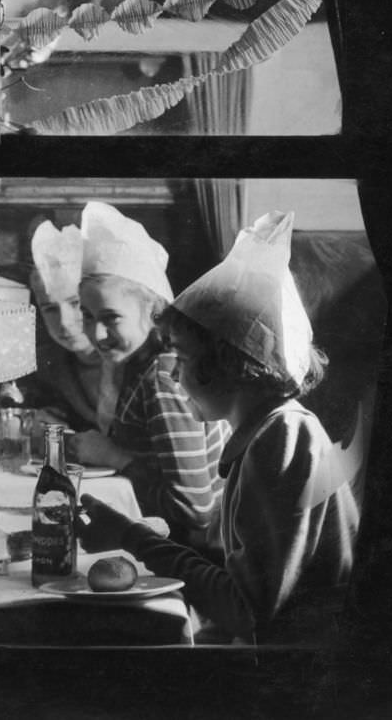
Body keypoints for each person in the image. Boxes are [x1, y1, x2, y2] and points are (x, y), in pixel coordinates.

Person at [77, 211, 360, 644]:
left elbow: (248, 615)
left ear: (229, 367)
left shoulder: (283, 440)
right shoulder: (267, 433)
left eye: (184, 362)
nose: (173, 377)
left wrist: (131, 536)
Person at [73, 202, 230, 548]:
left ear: (154, 310)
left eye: (111, 318)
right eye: (87, 315)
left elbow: (195, 509)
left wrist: (114, 456)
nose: (96, 334)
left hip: (199, 553)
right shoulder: (136, 364)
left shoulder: (163, 377)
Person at [17, 219, 120, 433]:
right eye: (50, 309)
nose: (64, 322)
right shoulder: (52, 365)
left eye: (76, 304)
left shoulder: (131, 361)